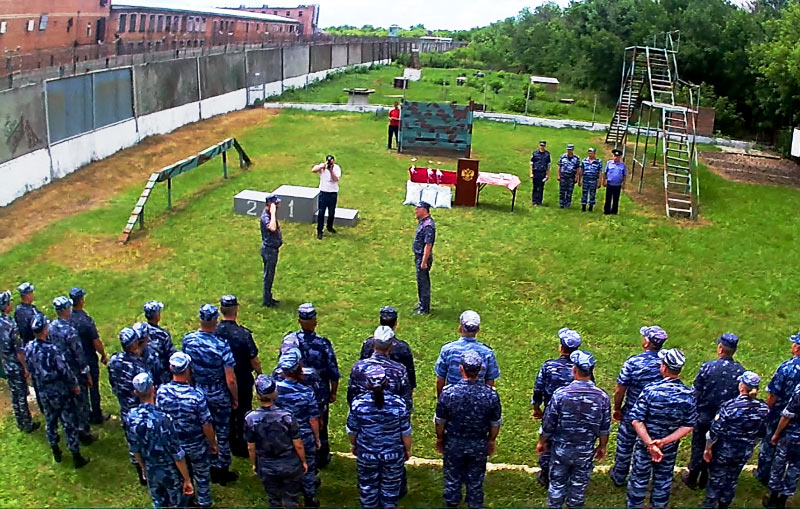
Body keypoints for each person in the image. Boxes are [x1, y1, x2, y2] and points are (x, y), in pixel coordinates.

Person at [538, 351, 610, 509]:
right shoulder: (602, 397)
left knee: (557, 483)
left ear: (574, 370)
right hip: (585, 449)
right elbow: (604, 427)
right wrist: (602, 446)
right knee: (579, 485)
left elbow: (549, 424)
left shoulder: (561, 395)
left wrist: (541, 442)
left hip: (562, 448)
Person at [626, 348, 697, 509]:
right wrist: (664, 442)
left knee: (638, 480)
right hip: (668, 448)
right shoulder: (688, 394)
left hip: (646, 447)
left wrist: (650, 444)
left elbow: (637, 420)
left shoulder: (650, 391)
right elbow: (688, 425)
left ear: (663, 367)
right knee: (663, 480)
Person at [435, 350, 502, 509]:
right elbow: (495, 422)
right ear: (480, 370)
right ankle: (475, 503)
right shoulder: (490, 395)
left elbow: (440, 421)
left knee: (452, 475)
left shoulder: (449, 393)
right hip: (478, 442)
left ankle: (452, 502)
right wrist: (491, 441)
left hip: (453, 441)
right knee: (476, 477)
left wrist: (440, 439)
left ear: (461, 369)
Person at [24, 313, 91, 468]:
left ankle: (55, 450)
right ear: (45, 330)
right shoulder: (52, 350)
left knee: (50, 420)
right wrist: (74, 385)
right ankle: (76, 455)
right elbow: (64, 370)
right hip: (58, 390)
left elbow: (30, 368)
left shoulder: (29, 348)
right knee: (68, 421)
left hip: (42, 390)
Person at [182, 304, 239, 485]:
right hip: (218, 393)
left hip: (199, 390)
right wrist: (235, 397)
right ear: (215, 321)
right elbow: (230, 378)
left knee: (203, 427)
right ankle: (221, 468)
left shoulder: (189, 340)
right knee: (222, 431)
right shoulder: (221, 345)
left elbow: (187, 368)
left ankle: (205, 460)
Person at [683, 333, 746, 490]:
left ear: (720, 349)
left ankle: (692, 477)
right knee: (715, 447)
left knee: (699, 446)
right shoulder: (740, 371)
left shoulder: (708, 367)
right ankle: (705, 478)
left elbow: (696, 391)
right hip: (725, 419)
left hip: (704, 415)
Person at [280, 303, 339, 469]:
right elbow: (333, 372)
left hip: (290, 392)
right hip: (318, 394)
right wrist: (333, 392)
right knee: (320, 424)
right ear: (315, 321)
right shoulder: (323, 344)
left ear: (299, 321)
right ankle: (321, 454)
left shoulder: (288, 342)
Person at [609, 325, 669, 487]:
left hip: (633, 412)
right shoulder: (666, 364)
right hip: (655, 414)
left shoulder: (633, 363)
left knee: (625, 445)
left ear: (646, 343)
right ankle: (643, 475)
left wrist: (617, 408)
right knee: (648, 445)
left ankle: (619, 475)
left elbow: (620, 389)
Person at [156, 352, 218, 508]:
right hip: (195, 444)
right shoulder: (196, 396)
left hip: (174, 445)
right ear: (188, 369)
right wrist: (212, 443)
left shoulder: (162, 392)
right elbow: (206, 424)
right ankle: (204, 503)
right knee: (202, 475)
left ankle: (185, 501)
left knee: (180, 475)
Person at [348, 364, 412, 508]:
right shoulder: (398, 404)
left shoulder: (358, 403)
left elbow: (352, 430)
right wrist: (407, 450)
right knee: (390, 493)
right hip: (393, 454)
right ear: (386, 383)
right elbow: (405, 432)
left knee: (368, 490)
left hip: (367, 454)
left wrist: (354, 445)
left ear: (366, 383)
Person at [702, 371, 768, 509]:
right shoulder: (763, 409)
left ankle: (709, 505)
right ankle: (724, 504)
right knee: (732, 479)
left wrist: (707, 449)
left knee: (716, 480)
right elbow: (761, 434)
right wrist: (750, 444)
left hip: (724, 451)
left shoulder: (730, 406)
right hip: (744, 452)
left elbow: (714, 432)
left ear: (742, 386)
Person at [128, 373, 194, 508]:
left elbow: (135, 448)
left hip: (151, 468)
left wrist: (143, 468)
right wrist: (187, 479)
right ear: (153, 389)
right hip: (169, 471)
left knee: (158, 503)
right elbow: (177, 454)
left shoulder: (131, 417)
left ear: (136, 392)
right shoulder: (164, 420)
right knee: (177, 503)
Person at [245, 375, 307, 509]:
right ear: (275, 392)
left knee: (274, 500)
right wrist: (302, 461)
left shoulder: (250, 419)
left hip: (266, 466)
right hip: (290, 464)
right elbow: (298, 444)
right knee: (291, 498)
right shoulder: (287, 416)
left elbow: (251, 447)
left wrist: (255, 464)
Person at [531, 327, 583, 487]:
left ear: (561, 347)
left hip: (551, 412)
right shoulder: (582, 369)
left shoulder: (549, 366)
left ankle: (546, 475)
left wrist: (536, 407)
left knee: (547, 441)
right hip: (575, 414)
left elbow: (538, 389)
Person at [215, 294, 262, 459]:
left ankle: (226, 441)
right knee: (243, 413)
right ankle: (241, 445)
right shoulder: (242, 334)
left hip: (219, 379)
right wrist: (260, 375)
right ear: (236, 310)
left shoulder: (214, 333)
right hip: (241, 379)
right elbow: (253, 359)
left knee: (225, 413)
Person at [275, 349, 321, 507]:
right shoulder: (306, 392)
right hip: (304, 435)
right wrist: (316, 438)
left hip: (281, 435)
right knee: (308, 466)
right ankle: (309, 497)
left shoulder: (274, 390)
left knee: (285, 464)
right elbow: (313, 418)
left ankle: (288, 497)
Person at [49, 296, 96, 445]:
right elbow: (79, 356)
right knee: (81, 403)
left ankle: (73, 428)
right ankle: (84, 433)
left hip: (60, 372)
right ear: (65, 310)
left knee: (69, 403)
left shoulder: (51, 327)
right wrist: (87, 374)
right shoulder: (70, 331)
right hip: (75, 372)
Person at [108, 326, 150, 485]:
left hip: (125, 407)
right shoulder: (138, 366)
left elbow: (113, 383)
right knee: (146, 440)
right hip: (140, 407)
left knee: (133, 443)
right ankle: (148, 471)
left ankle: (140, 472)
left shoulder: (114, 361)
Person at [757, 332, 800, 487]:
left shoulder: (787, 368)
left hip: (779, 412)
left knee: (770, 443)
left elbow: (773, 394)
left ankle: (764, 475)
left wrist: (767, 411)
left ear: (797, 348)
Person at [68, 287, 110, 425]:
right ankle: (96, 415)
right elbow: (95, 341)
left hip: (73, 359)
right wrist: (103, 354)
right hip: (88, 359)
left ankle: (82, 414)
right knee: (93, 388)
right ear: (81, 300)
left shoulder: (67, 318)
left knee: (79, 388)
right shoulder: (85, 321)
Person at [435, 311, 500, 396]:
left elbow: (440, 379)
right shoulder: (487, 353)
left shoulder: (447, 350)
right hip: (478, 398)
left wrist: (441, 399)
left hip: (452, 397)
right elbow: (490, 381)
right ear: (478, 330)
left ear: (460, 328)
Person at [0, 290, 39, 433]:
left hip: (5, 363)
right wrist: (25, 367)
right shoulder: (10, 325)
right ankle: (27, 423)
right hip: (15, 364)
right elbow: (19, 351)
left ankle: (19, 420)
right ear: (6, 306)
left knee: (14, 393)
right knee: (22, 393)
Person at [349, 326, 412, 409]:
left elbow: (351, 396)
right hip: (392, 417)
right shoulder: (399, 370)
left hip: (363, 415)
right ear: (392, 345)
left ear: (373, 342)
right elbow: (406, 400)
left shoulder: (358, 367)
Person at [359, 306, 416, 395]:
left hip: (369, 393)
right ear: (396, 323)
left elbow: (361, 371)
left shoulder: (367, 344)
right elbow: (410, 376)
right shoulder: (403, 348)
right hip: (394, 395)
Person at [765, 380, 800, 509]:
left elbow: (787, 415)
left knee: (779, 464)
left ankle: (773, 498)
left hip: (791, 434)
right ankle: (783, 500)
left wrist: (776, 433)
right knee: (795, 468)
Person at [143, 300, 176, 388]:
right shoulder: (163, 334)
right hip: (161, 374)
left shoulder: (141, 331)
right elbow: (170, 354)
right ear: (157, 315)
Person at [412, 201, 436, 315]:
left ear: (424, 210)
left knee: (423, 283)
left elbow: (428, 245)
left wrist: (424, 262)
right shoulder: (423, 222)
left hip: (423, 258)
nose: (415, 211)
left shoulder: (428, 225)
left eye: (418, 208)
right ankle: (421, 304)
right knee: (420, 282)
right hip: (419, 256)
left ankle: (424, 309)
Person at [260, 193, 282, 307]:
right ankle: (267, 300)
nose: (278, 205)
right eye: (276, 204)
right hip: (269, 250)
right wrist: (273, 213)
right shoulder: (266, 216)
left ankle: (268, 297)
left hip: (272, 249)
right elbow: (272, 228)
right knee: (268, 275)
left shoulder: (269, 214)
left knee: (270, 274)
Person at [312, 155, 342, 240]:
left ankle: (329, 226)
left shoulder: (336, 168)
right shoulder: (322, 167)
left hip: (332, 193)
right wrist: (322, 166)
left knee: (331, 212)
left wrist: (331, 170)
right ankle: (319, 231)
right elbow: (313, 170)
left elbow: (335, 179)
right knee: (321, 212)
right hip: (323, 193)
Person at [602, 149, 627, 215]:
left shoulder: (622, 165)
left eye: (617, 156)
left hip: (618, 185)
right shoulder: (609, 163)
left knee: (616, 199)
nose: (616, 157)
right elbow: (605, 173)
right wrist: (603, 181)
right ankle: (607, 211)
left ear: (620, 157)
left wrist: (624, 184)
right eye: (615, 156)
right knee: (608, 198)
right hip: (610, 184)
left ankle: (614, 211)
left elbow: (624, 175)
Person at [578, 148, 603, 212]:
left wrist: (599, 181)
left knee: (592, 194)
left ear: (594, 154)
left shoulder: (598, 162)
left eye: (591, 153)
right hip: (585, 179)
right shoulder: (584, 161)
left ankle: (591, 207)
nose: (590, 154)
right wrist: (579, 179)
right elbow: (581, 170)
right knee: (584, 193)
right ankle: (583, 206)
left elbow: (600, 172)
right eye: (589, 153)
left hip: (593, 180)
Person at [557, 144, 580, 209]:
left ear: (573, 150)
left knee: (569, 191)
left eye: (570, 149)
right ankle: (561, 203)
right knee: (562, 190)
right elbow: (559, 166)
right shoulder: (562, 157)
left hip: (571, 176)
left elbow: (578, 168)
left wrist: (576, 177)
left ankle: (568, 204)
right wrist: (558, 175)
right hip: (563, 175)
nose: (569, 151)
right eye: (568, 149)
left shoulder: (576, 158)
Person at [530, 141, 551, 206]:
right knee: (535, 187)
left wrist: (547, 174)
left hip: (543, 173)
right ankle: (534, 201)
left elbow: (548, 165)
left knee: (541, 188)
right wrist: (531, 173)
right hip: (536, 172)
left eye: (543, 146)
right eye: (541, 146)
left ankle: (539, 201)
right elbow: (531, 164)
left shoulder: (547, 154)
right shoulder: (535, 154)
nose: (542, 147)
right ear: (539, 146)